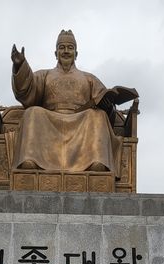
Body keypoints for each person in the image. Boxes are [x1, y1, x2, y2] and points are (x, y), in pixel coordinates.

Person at [10, 30, 137, 175]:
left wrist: (108, 107)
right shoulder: (44, 75)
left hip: (81, 119)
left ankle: (96, 161)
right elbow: (26, 91)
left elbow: (103, 99)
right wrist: (20, 66)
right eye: (62, 47)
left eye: (70, 48)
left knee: (98, 116)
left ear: (76, 53)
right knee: (32, 112)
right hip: (50, 118)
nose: (65, 51)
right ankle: (31, 159)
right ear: (55, 52)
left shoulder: (89, 78)